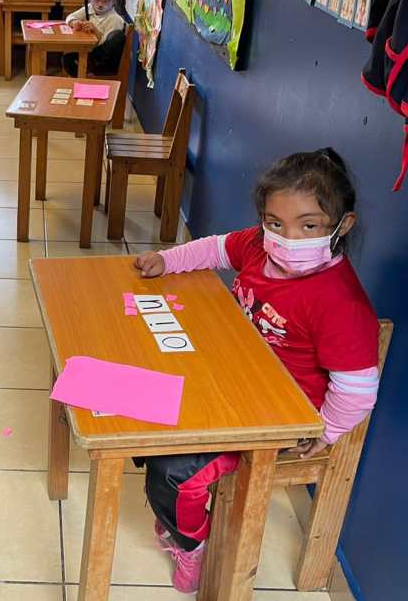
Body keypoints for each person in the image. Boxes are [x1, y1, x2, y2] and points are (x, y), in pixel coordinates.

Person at [134, 149, 380, 593]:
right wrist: (168, 260)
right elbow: (215, 247)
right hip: (233, 381)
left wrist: (324, 431)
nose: (288, 239)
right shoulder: (257, 245)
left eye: (309, 226)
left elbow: (357, 390)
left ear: (342, 225)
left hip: (276, 419)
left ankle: (192, 543)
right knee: (143, 414)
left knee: (172, 469)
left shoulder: (340, 303)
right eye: (274, 223)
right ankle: (174, 511)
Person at [63, 0, 127, 76]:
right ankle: (86, 76)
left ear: (114, 0)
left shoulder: (115, 19)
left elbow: (108, 46)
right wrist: (75, 22)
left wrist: (95, 31)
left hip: (104, 61)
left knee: (116, 36)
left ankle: (92, 74)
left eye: (105, 1)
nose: (100, 4)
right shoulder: (89, 8)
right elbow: (70, 17)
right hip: (91, 52)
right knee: (67, 59)